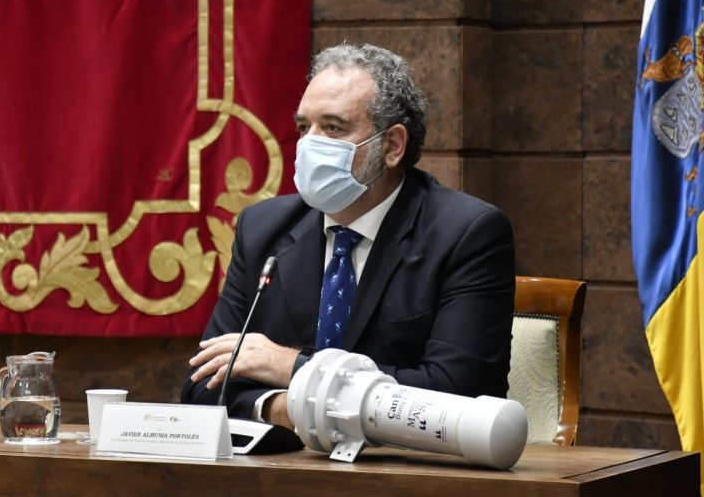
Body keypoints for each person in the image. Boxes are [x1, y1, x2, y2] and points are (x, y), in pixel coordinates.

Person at [181, 43, 515, 430]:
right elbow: (202, 386)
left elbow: (456, 392)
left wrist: (292, 367)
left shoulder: (466, 234)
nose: (310, 144)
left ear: (391, 147)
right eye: (305, 127)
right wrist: (287, 409)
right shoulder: (263, 229)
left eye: (333, 127)